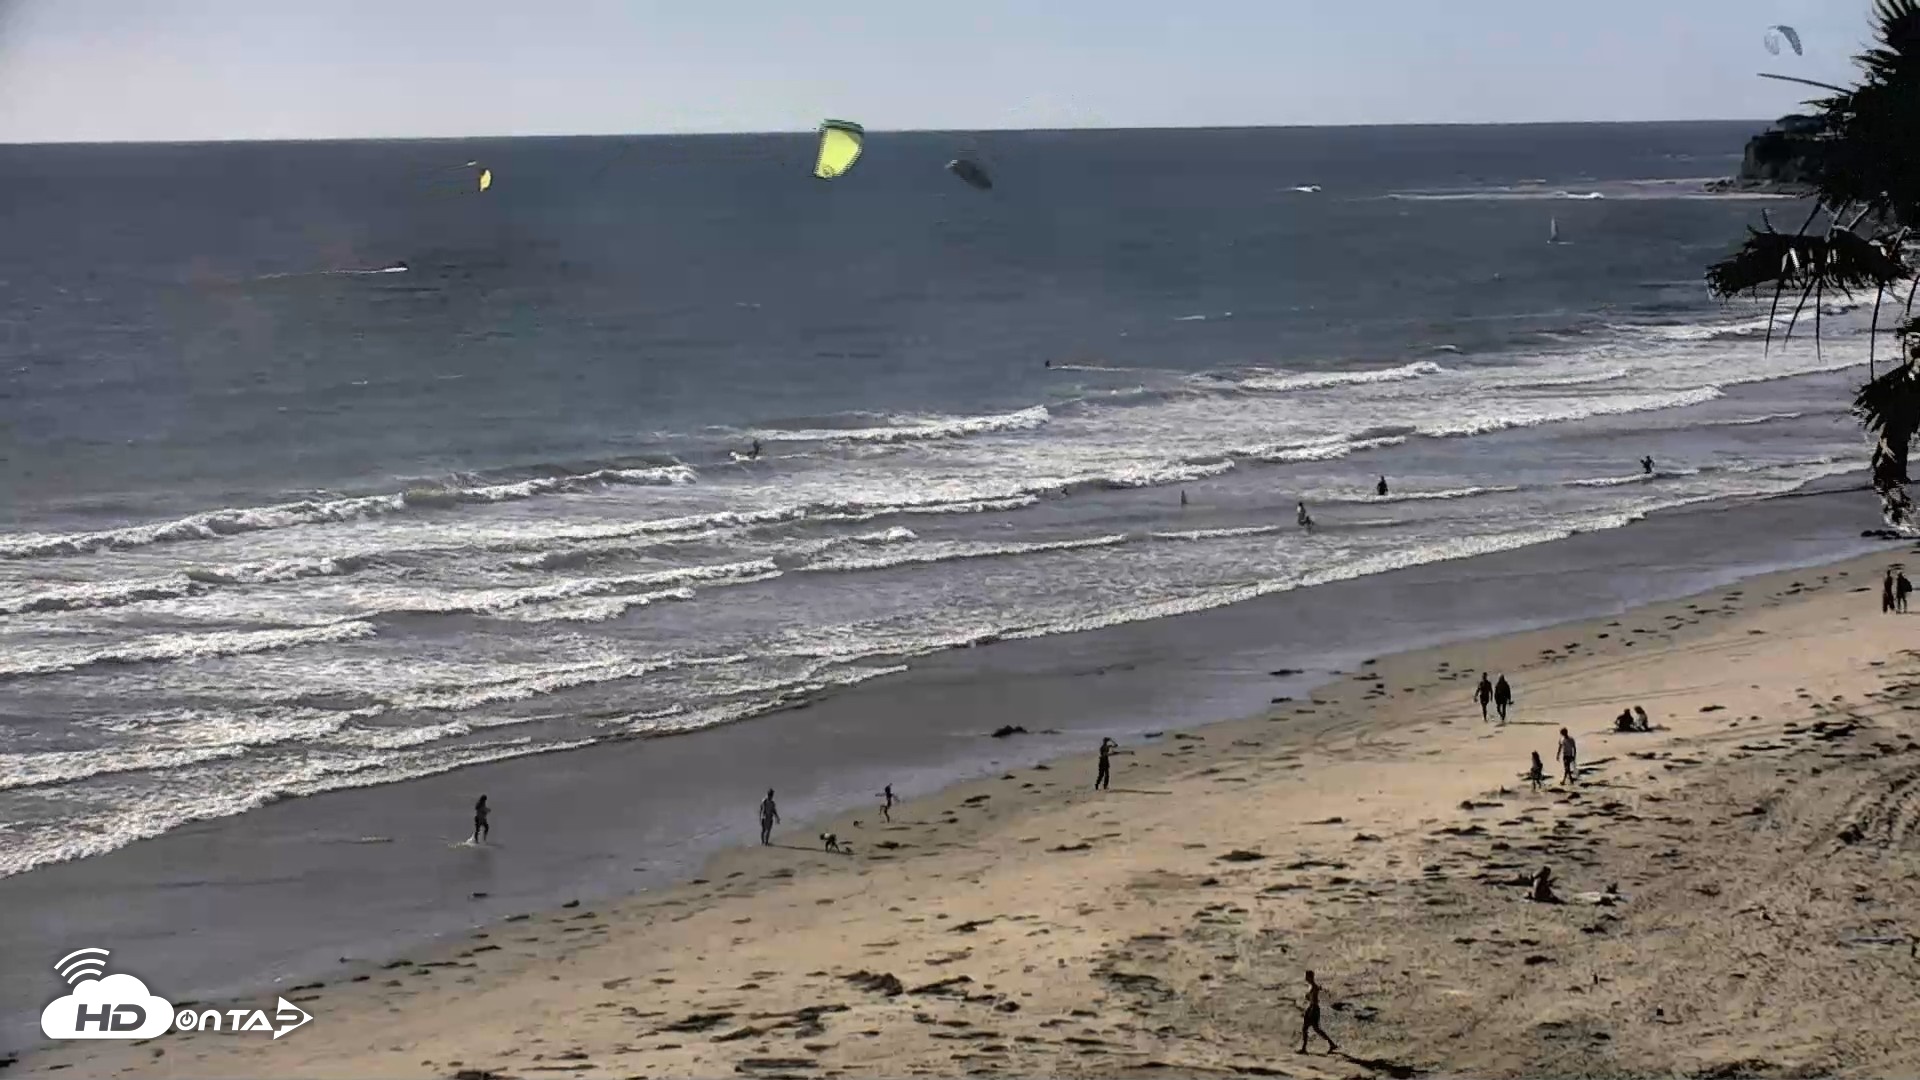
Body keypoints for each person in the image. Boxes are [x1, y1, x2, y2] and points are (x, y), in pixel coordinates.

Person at [1297, 970, 1338, 1054]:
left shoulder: (1314, 987)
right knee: (1314, 1029)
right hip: (1312, 1008)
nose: (1305, 978)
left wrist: (1310, 1008)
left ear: (1310, 977)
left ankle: (1304, 1049)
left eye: (1307, 976)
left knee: (1309, 1028)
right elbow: (1312, 998)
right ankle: (1331, 1044)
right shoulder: (1313, 987)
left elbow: (1314, 1000)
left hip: (1313, 1009)